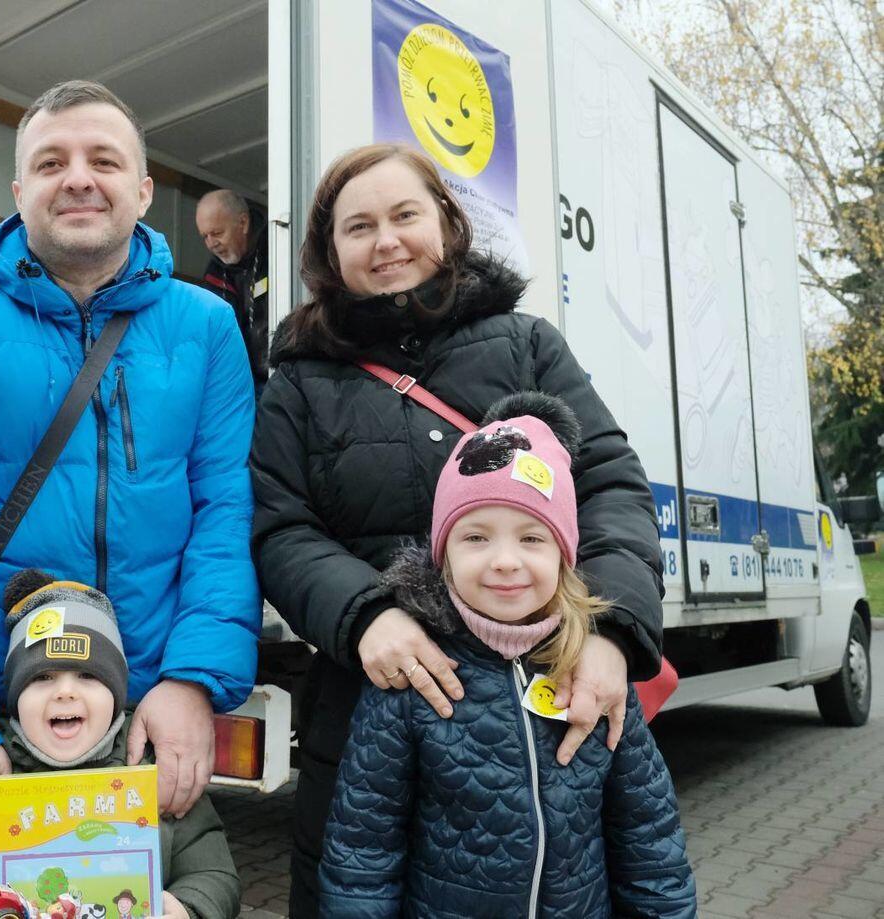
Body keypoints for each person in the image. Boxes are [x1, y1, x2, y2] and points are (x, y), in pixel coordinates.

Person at [250, 144, 666, 916]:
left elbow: (609, 485)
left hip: (542, 701)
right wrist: (365, 614)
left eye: (405, 215)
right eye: (359, 226)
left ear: (446, 222)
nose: (386, 240)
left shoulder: (527, 343)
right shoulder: (300, 383)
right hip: (372, 703)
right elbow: (281, 528)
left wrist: (610, 632)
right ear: (329, 253)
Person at [0, 80, 260, 858]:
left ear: (144, 190)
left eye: (103, 160)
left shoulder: (208, 328)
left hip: (145, 714)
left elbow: (226, 517)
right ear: (19, 192)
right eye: (51, 162)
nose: (78, 178)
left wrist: (192, 681)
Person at [318, 392, 696, 917]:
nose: (504, 561)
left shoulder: (595, 670)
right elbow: (363, 854)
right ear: (443, 555)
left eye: (532, 538)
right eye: (476, 537)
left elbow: (649, 842)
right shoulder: (414, 678)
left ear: (564, 555)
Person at [0, 573, 242, 919]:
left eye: (87, 676)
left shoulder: (155, 770)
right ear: (16, 697)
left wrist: (188, 910)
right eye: (42, 677)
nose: (65, 692)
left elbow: (212, 874)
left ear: (115, 694)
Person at [195, 189, 269, 390]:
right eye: (205, 236)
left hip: (281, 378)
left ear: (243, 223)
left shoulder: (278, 248)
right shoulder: (213, 274)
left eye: (217, 233)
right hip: (241, 385)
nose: (211, 244)